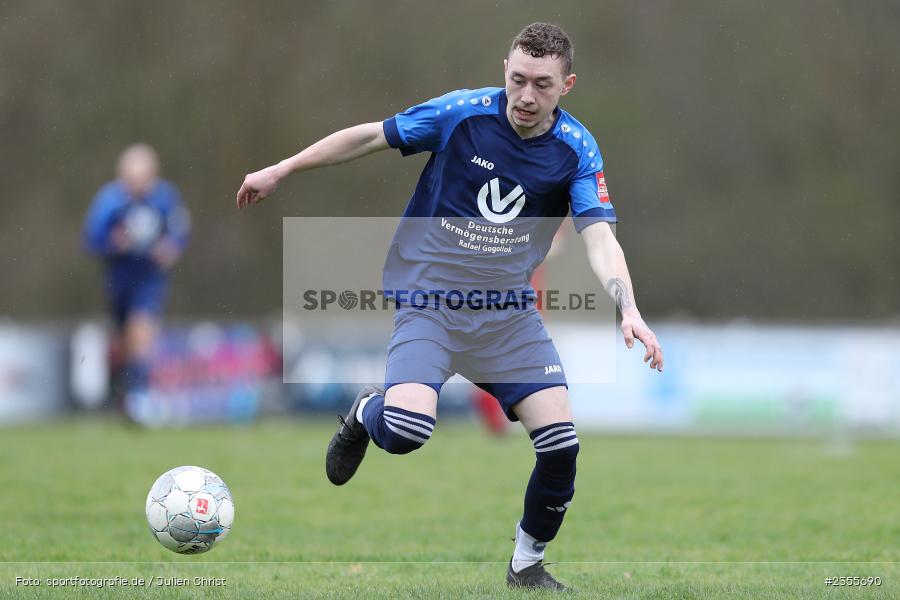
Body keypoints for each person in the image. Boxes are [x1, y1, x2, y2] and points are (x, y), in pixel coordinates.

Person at [236, 23, 663, 591]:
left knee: (561, 447)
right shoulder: (461, 114)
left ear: (567, 85)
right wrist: (281, 169)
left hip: (507, 316)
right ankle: (369, 413)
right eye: (517, 80)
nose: (526, 96)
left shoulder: (577, 150)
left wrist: (627, 308)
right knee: (408, 428)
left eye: (542, 84)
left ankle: (526, 566)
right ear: (503, 71)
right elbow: (369, 137)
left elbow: (599, 236)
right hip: (430, 302)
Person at [83, 144, 190, 414]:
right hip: (119, 278)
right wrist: (113, 243)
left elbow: (180, 230)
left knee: (141, 329)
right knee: (122, 342)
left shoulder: (165, 198)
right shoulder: (109, 201)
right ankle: (120, 393)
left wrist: (170, 248)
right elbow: (91, 239)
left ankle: (140, 396)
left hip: (149, 278)